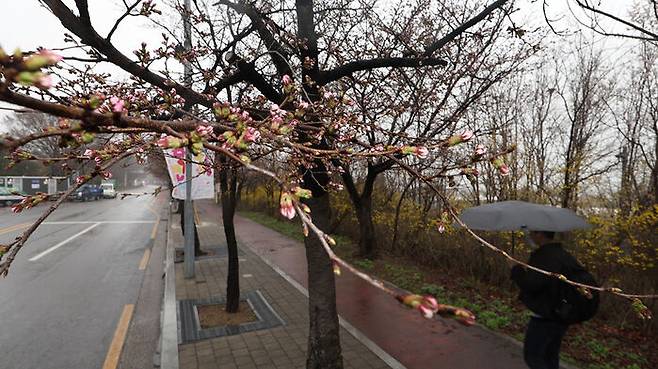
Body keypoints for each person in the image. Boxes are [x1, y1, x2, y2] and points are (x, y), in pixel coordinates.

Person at [511, 230, 576, 369]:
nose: (530, 236)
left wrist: (515, 269)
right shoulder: (562, 254)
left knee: (533, 357)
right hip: (561, 314)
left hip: (545, 317)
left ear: (540, 234)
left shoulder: (545, 257)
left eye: (533, 233)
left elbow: (531, 285)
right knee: (550, 356)